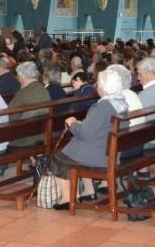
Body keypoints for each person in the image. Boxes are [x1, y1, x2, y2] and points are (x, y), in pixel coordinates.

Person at [49, 69, 128, 210]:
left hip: (99, 157)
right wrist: (79, 123)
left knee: (58, 158)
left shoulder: (102, 106)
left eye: (98, 84)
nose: (96, 86)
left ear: (103, 87)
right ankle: (86, 191)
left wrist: (72, 123)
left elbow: (84, 133)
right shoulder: (122, 103)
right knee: (70, 153)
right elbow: (99, 127)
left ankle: (67, 199)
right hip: (110, 152)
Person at [7, 61, 51, 147]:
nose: (17, 78)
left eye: (18, 76)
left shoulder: (21, 93)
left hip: (23, 138)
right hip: (43, 134)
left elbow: (11, 117)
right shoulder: (44, 89)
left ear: (23, 76)